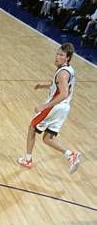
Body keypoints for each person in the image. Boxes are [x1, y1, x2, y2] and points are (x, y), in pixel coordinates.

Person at [17, 43, 82, 174]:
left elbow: (64, 93)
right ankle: (70, 155)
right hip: (64, 109)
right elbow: (59, 85)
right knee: (47, 138)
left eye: (61, 55)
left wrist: (44, 106)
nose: (57, 57)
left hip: (55, 107)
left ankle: (27, 159)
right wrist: (44, 85)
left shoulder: (62, 73)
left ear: (68, 58)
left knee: (32, 128)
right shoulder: (68, 70)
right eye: (57, 53)